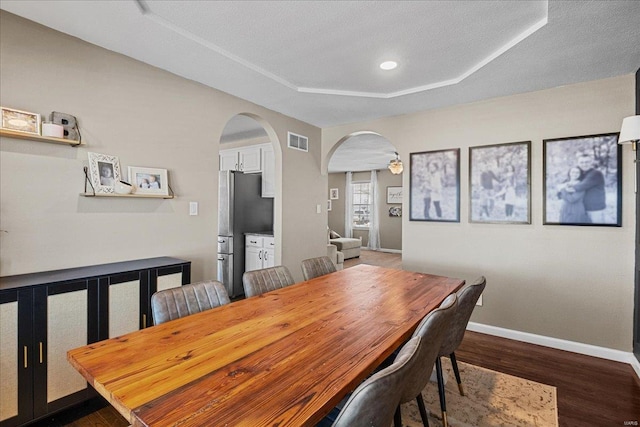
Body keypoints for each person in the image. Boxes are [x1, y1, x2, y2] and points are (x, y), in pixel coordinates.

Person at [567, 154, 605, 223]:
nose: (584, 164)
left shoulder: (596, 173)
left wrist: (563, 188)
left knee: (598, 231)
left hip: (595, 209)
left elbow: (580, 186)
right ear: (578, 163)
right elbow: (568, 180)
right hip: (583, 208)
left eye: (587, 162)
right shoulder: (581, 173)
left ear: (591, 162)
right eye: (581, 162)